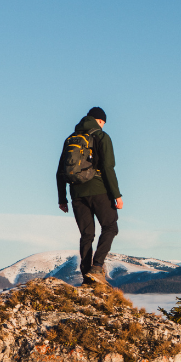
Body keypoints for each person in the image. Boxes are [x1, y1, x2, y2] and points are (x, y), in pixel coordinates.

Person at [56, 107, 123, 285]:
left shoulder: (70, 139)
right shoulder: (102, 136)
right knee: (110, 227)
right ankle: (97, 267)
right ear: (99, 121)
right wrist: (116, 195)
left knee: (87, 235)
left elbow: (59, 171)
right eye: (103, 123)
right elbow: (108, 168)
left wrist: (62, 198)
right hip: (99, 189)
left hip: (76, 193)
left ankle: (87, 277)